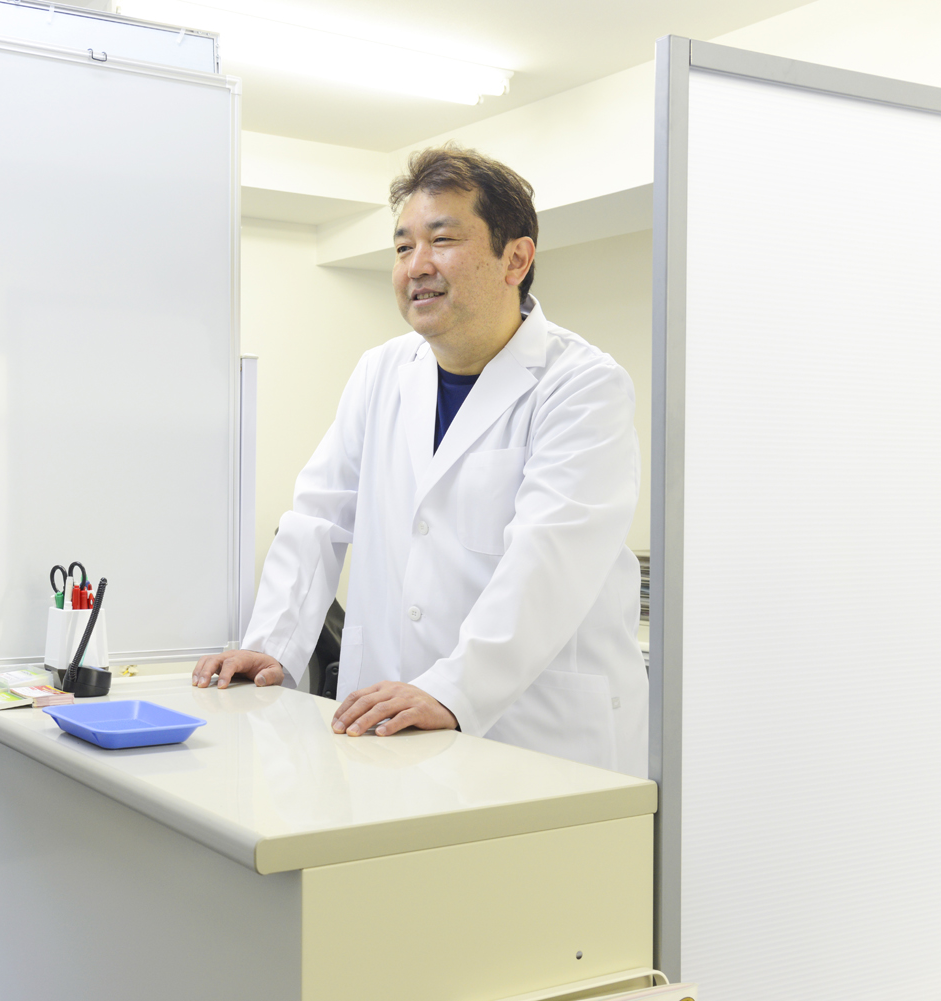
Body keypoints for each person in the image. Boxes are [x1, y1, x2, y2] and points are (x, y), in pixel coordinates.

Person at [191, 143, 646, 776]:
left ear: (516, 259)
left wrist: (454, 689)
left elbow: (550, 559)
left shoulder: (582, 385)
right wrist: (271, 647)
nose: (417, 265)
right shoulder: (381, 371)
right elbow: (319, 518)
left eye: (442, 240)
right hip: (384, 722)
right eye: (403, 247)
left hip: (535, 734)